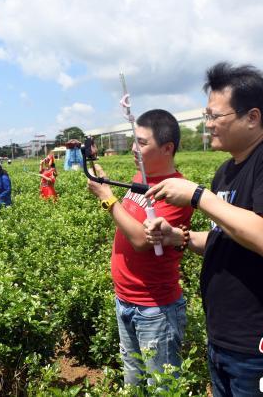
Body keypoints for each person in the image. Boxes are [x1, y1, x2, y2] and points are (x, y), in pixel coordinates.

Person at [143, 63, 263, 396]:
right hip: (225, 338)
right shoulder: (226, 172)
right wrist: (179, 237)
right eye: (206, 116)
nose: (208, 125)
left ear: (252, 116)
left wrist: (197, 196)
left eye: (215, 117)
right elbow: (229, 237)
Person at [87, 109, 192, 388]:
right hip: (125, 300)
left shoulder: (175, 190)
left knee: (163, 387)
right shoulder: (139, 178)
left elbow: (142, 240)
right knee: (133, 380)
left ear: (167, 148)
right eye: (135, 140)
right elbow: (129, 221)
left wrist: (107, 199)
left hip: (155, 309)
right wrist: (105, 183)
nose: (134, 148)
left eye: (142, 143)